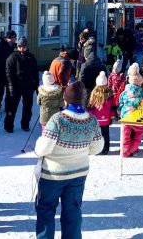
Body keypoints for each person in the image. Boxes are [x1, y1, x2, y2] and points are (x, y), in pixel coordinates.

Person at [34, 81, 103, 239]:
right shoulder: (92, 121)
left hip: (53, 175)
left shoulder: (57, 119)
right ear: (83, 99)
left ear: (65, 99)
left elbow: (42, 149)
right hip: (78, 173)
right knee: (73, 212)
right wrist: (81, 150)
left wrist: (38, 144)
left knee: (46, 210)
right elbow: (97, 148)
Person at [5, 36, 39, 132]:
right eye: (20, 46)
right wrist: (11, 86)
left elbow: (35, 71)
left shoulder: (31, 57)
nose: (22, 48)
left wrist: (36, 85)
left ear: (26, 47)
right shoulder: (12, 57)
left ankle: (25, 124)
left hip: (28, 86)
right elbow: (8, 73)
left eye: (24, 46)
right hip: (16, 85)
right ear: (17, 47)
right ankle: (8, 125)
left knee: (28, 106)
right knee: (12, 106)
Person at [118, 65, 143, 157]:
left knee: (125, 136)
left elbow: (120, 104)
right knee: (139, 133)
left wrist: (120, 112)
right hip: (136, 118)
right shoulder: (142, 93)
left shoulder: (124, 93)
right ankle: (131, 149)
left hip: (125, 118)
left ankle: (124, 151)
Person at [0, 30, 16, 115]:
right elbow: (1, 59)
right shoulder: (1, 45)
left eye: (14, 37)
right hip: (1, 71)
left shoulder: (15, 46)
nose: (14, 39)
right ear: (7, 38)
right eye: (12, 38)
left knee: (10, 91)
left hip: (11, 72)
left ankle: (8, 108)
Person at [87, 72, 113, 155]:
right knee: (106, 135)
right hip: (106, 120)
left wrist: (88, 116)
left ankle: (96, 149)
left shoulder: (94, 93)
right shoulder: (110, 94)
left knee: (96, 136)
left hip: (96, 120)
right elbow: (113, 107)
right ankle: (105, 149)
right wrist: (112, 116)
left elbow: (90, 107)